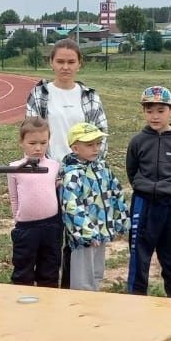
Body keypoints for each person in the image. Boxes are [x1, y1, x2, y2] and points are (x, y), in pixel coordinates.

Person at [126, 85, 171, 299]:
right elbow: (132, 169)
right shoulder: (138, 141)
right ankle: (136, 303)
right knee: (139, 257)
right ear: (143, 111)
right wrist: (145, 187)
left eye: (160, 111)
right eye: (149, 111)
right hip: (144, 204)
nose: (155, 116)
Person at [60, 122, 130, 292]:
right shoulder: (72, 174)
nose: (96, 148)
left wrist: (121, 219)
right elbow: (71, 206)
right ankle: (79, 308)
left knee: (97, 272)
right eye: (90, 145)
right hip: (84, 237)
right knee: (83, 279)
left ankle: (94, 304)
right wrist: (87, 233)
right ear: (75, 148)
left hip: (102, 232)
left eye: (98, 143)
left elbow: (116, 192)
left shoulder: (102, 167)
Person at [24, 37, 108, 162]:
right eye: (60, 61)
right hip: (49, 170)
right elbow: (31, 134)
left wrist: (88, 167)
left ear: (79, 64)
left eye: (71, 62)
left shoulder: (91, 97)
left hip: (82, 172)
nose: (65, 67)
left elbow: (101, 136)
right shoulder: (38, 95)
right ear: (51, 62)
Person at [7, 116, 62, 287]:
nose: (38, 148)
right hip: (26, 228)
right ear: (21, 142)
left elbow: (54, 191)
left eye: (43, 142)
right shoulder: (14, 168)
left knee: (50, 270)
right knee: (23, 271)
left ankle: (47, 307)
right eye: (32, 143)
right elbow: (14, 196)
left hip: (52, 226)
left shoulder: (54, 166)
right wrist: (18, 219)